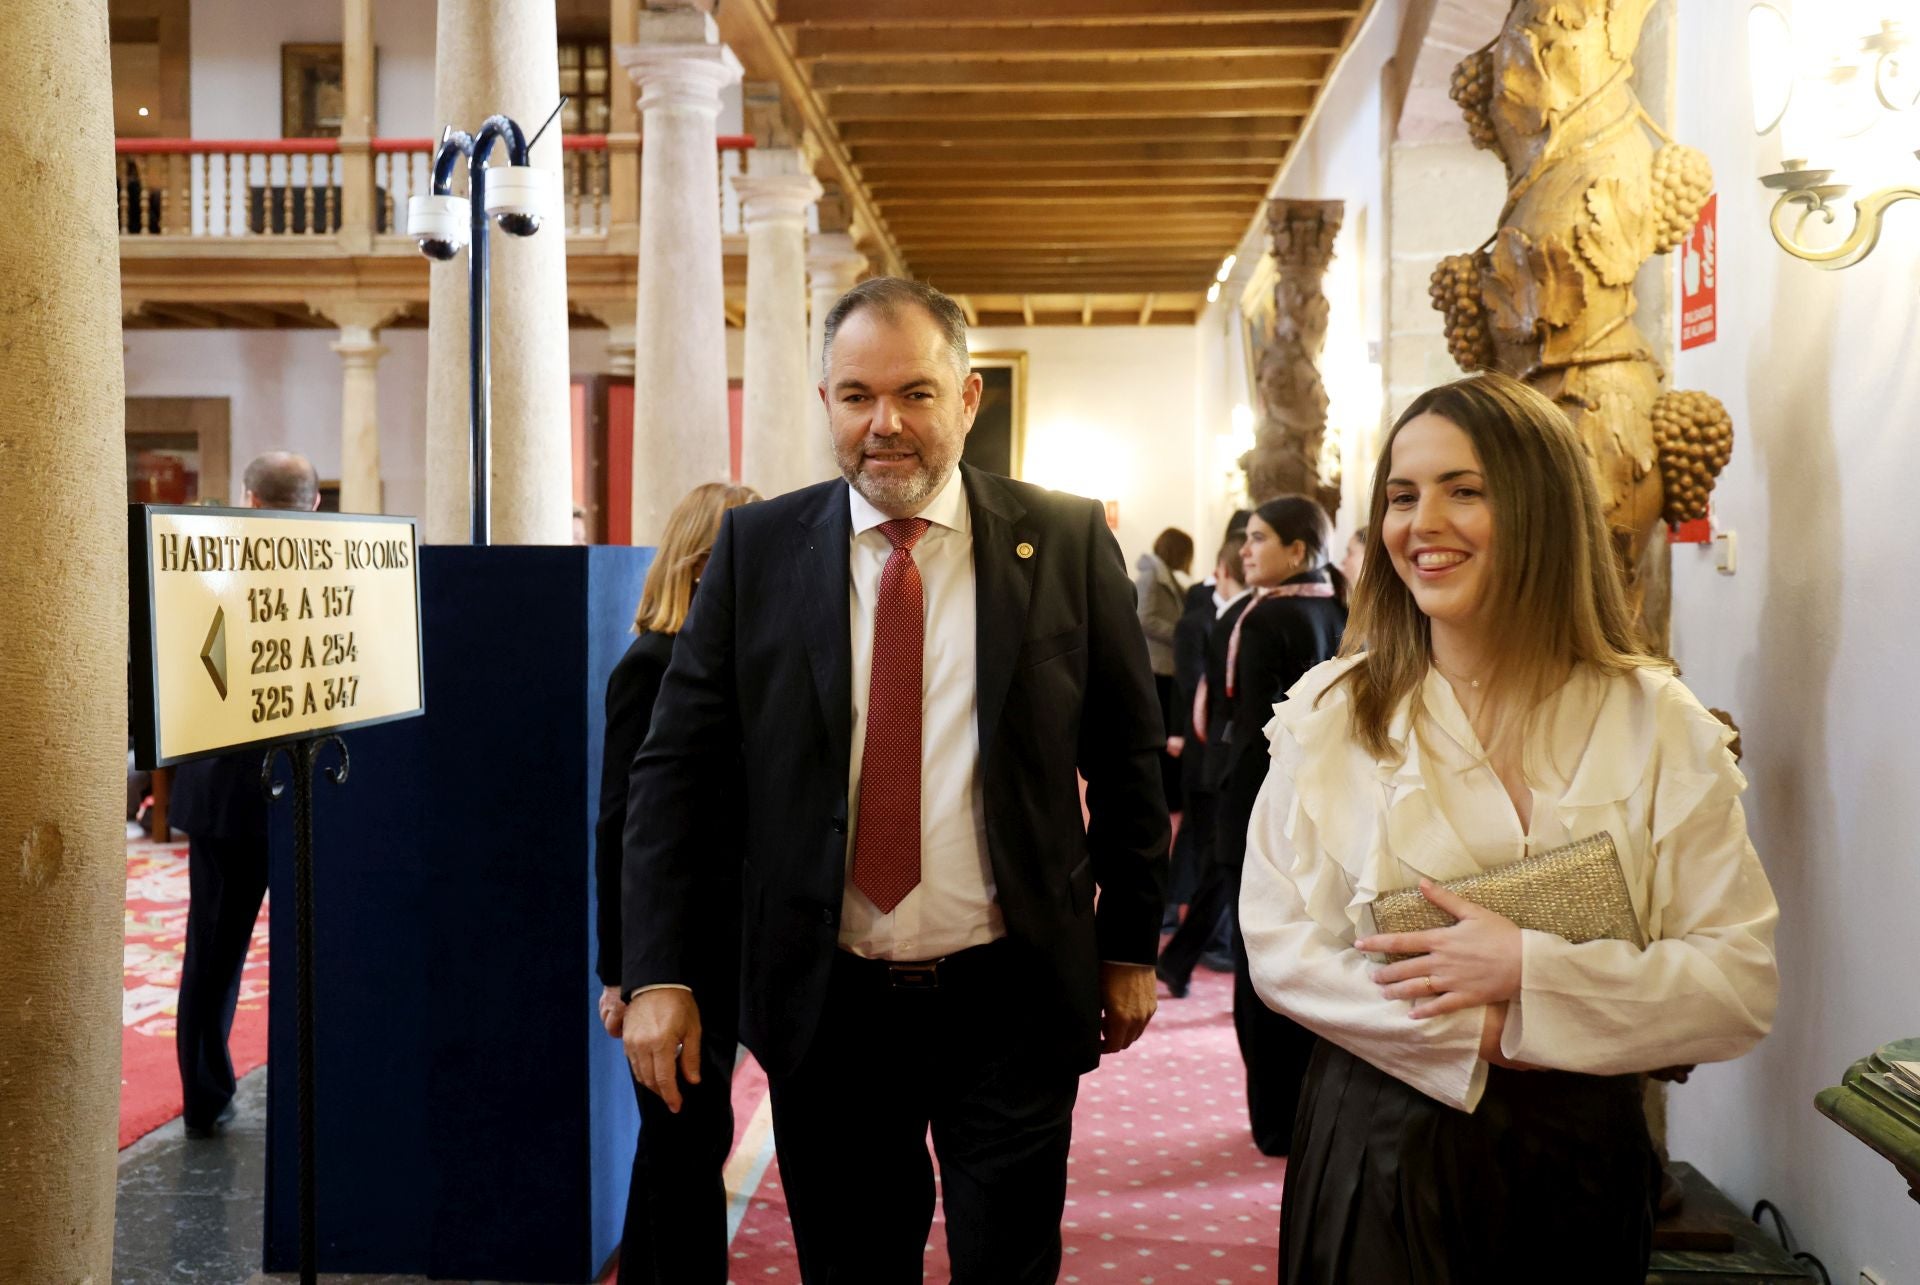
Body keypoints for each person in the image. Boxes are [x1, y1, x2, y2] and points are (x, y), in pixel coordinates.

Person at [620, 276, 1170, 1284]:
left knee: (1007, 1263)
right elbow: (673, 777)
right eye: (856, 395)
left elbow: (1128, 757)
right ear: (826, 403)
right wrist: (655, 968)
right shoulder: (755, 550)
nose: (886, 424)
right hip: (828, 1006)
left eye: (916, 393)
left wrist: (1132, 942)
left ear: (967, 400)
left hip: (1009, 993)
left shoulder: (1064, 538)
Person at [1240, 372, 1780, 1282]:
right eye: (1403, 496)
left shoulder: (1657, 721)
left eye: (1466, 489)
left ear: (1541, 508)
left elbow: (1736, 984)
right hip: (1380, 1135)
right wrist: (1483, 1030)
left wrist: (1530, 973)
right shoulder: (1332, 713)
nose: (1423, 523)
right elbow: (1282, 945)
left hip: (1583, 1153)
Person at [594, 481, 760, 1283]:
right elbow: (622, 829)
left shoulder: (734, 668)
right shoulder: (653, 664)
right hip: (675, 954)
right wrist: (623, 973)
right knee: (687, 1154)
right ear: (704, 567)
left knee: (677, 1146)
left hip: (727, 943)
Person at [170, 451, 320, 1137]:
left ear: (251, 501)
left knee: (214, 950)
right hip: (310, 791)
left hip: (226, 793)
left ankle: (204, 1093)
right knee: (311, 954)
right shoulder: (332, 572)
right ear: (314, 505)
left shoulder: (206, 566)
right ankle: (308, 1096)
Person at [1212, 495, 1347, 1155]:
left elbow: (1243, 735)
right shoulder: (1342, 607)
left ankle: (1273, 1116)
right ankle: (1311, 1107)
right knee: (1318, 948)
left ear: (1298, 550)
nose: (1246, 548)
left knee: (1259, 955)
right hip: (1329, 807)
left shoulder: (1258, 619)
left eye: (1260, 538)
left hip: (1260, 804)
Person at [1157, 532, 1247, 991]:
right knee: (1211, 848)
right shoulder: (1203, 619)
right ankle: (1186, 934)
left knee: (1216, 854)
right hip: (1210, 752)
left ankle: (1192, 948)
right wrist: (1183, 736)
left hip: (1221, 753)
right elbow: (1191, 687)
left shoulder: (1244, 615)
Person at [1135, 526, 1194, 813]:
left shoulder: (1162, 575)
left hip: (1167, 663)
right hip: (1157, 664)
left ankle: (1169, 793)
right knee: (1162, 734)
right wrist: (1180, 633)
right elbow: (1143, 617)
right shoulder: (1150, 577)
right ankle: (1163, 795)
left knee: (1168, 732)